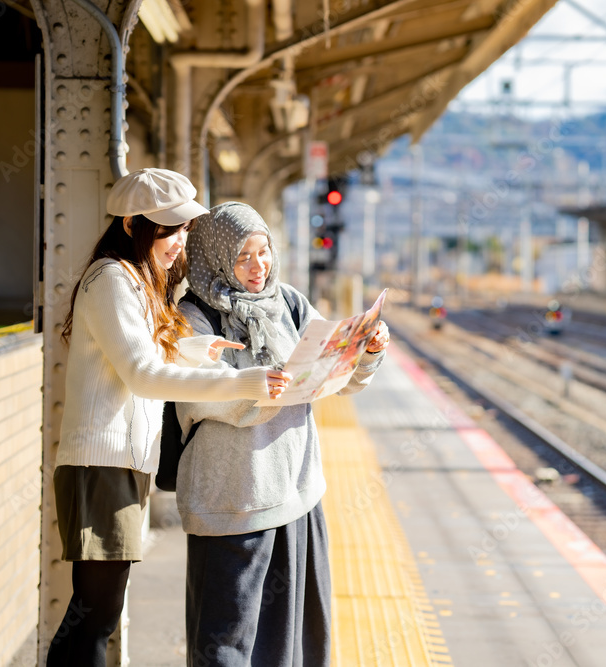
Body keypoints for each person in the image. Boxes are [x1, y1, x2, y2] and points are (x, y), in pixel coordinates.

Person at [47, 170, 292, 667]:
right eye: (169, 230)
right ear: (134, 222)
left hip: (118, 465)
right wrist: (240, 381)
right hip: (101, 466)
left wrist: (197, 348)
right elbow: (142, 373)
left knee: (96, 613)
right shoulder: (112, 278)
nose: (179, 242)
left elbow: (144, 349)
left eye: (184, 230)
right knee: (95, 615)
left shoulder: (135, 278)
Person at [176, 201, 390, 667]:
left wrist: (364, 353)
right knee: (225, 644)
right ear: (214, 259)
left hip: (297, 494)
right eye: (243, 257)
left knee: (293, 642)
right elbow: (195, 398)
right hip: (232, 500)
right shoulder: (193, 317)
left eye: (264, 251)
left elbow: (338, 379)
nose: (259, 267)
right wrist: (266, 388)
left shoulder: (289, 303)